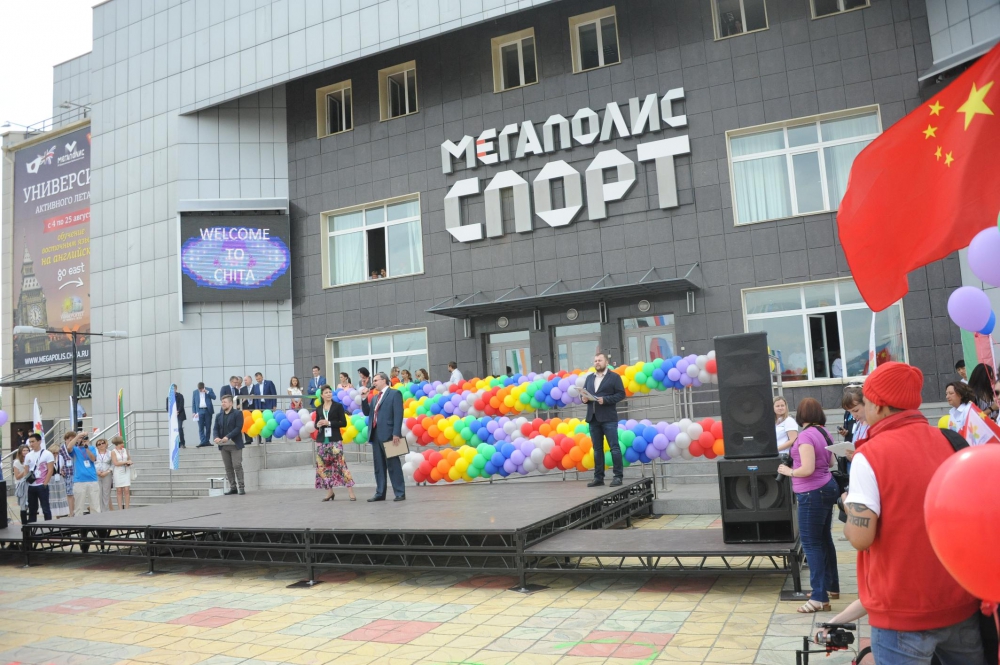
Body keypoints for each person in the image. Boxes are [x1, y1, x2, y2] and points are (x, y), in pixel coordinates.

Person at [843, 362, 984, 664]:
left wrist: (847, 505)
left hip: (901, 611)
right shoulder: (951, 441)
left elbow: (860, 537)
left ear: (878, 405)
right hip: (959, 601)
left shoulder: (870, 455)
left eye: (866, 401)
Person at [777, 397, 839, 613]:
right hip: (827, 486)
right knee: (824, 539)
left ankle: (819, 597)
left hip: (811, 492)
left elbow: (807, 469)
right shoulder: (824, 432)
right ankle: (831, 587)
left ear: (801, 415)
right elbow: (831, 462)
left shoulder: (805, 436)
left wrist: (789, 471)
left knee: (811, 544)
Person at [360, 372, 406, 501]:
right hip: (375, 434)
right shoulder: (375, 397)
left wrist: (396, 433)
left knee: (393, 464)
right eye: (373, 381)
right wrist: (364, 399)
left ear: (384, 380)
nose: (373, 383)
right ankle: (380, 492)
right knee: (379, 466)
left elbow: (398, 414)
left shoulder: (394, 394)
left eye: (376, 380)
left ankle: (400, 492)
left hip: (390, 434)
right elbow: (367, 412)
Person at [583, 353, 627, 488]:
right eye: (595, 360)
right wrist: (583, 399)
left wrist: (606, 400)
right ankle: (598, 478)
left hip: (609, 419)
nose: (597, 362)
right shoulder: (590, 378)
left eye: (600, 360)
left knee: (614, 448)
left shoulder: (614, 377)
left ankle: (618, 477)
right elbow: (584, 393)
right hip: (593, 418)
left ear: (606, 362)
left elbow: (621, 394)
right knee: (597, 450)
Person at [314, 384, 356, 501]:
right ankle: (330, 492)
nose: (328, 394)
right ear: (322, 395)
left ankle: (350, 491)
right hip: (322, 440)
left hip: (335, 440)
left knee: (341, 465)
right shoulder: (319, 408)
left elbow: (343, 423)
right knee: (323, 467)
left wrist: (329, 423)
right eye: (326, 393)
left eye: (330, 392)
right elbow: (316, 424)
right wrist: (318, 425)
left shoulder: (338, 406)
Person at [212, 394, 246, 495]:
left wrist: (228, 436)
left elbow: (238, 428)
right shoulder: (219, 416)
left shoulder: (237, 413)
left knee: (237, 465)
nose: (223, 404)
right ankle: (233, 487)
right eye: (222, 402)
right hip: (223, 445)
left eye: (225, 402)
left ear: (231, 403)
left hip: (235, 444)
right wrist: (216, 437)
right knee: (228, 467)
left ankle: (241, 487)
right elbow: (215, 428)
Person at [24, 434, 54, 523]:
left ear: (39, 441)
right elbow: (26, 470)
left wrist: (45, 483)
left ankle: (49, 525)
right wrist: (26, 482)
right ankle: (32, 527)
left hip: (42, 485)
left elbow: (50, 470)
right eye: (30, 442)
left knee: (45, 508)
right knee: (32, 509)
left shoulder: (47, 454)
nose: (31, 444)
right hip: (31, 485)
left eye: (33, 441)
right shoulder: (28, 455)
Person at [71, 433, 100, 516]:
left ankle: (96, 522)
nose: (83, 440)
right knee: (79, 507)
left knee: (95, 505)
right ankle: (78, 523)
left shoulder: (92, 448)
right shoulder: (75, 449)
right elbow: (68, 447)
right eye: (81, 438)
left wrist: (86, 447)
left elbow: (93, 459)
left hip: (92, 479)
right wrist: (77, 437)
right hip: (79, 480)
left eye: (85, 439)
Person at [840, 385, 867, 460]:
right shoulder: (859, 425)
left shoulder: (875, 425)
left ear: (867, 404)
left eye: (856, 410)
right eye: (850, 412)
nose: (854, 416)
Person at [48, 439, 71, 519]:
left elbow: (63, 466)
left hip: (59, 478)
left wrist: (63, 471)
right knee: (52, 497)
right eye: (53, 453)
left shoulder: (60, 457)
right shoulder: (48, 458)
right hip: (51, 479)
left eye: (56, 452)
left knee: (60, 496)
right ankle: (53, 514)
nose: (55, 454)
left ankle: (60, 514)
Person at [253, 372, 277, 442]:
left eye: (259, 378)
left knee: (268, 421)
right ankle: (262, 438)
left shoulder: (269, 383)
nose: (258, 380)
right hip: (260, 405)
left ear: (262, 377)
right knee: (261, 421)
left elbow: (274, 394)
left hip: (268, 404)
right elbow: (256, 398)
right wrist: (256, 408)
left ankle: (268, 439)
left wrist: (274, 405)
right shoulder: (256, 386)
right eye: (257, 379)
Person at [193, 382, 217, 447]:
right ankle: (202, 441)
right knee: (201, 427)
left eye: (201, 389)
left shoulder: (209, 390)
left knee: (208, 426)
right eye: (199, 389)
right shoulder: (195, 392)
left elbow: (214, 397)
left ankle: (207, 441)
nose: (200, 390)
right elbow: (193, 403)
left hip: (208, 410)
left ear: (204, 387)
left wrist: (207, 392)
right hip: (199, 411)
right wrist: (194, 412)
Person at [111, 436, 133, 509]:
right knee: (119, 490)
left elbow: (129, 459)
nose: (123, 443)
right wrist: (125, 462)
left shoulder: (125, 450)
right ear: (118, 443)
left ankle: (127, 508)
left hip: (126, 470)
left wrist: (129, 462)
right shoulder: (113, 452)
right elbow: (115, 463)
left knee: (126, 490)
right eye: (122, 442)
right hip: (118, 471)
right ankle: (120, 508)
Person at [93, 438, 115, 511]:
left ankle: (106, 510)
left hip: (107, 474)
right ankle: (99, 510)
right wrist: (96, 471)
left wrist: (108, 471)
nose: (101, 445)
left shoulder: (110, 453)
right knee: (98, 493)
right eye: (99, 444)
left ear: (106, 444)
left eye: (103, 443)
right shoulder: (94, 453)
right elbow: (91, 464)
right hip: (97, 474)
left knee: (106, 493)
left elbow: (113, 464)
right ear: (97, 446)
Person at [12, 444, 30, 524]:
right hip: (21, 485)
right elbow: (17, 477)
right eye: (24, 450)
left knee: (31, 504)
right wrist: (25, 470)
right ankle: (24, 523)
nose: (25, 452)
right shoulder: (16, 462)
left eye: (27, 450)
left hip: (30, 484)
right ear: (20, 452)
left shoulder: (31, 459)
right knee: (23, 505)